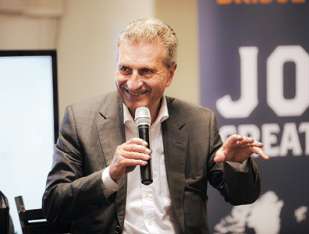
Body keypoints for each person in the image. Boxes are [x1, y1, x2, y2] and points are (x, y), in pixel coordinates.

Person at [42, 18, 268, 234]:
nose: (132, 83)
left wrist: (235, 163)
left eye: (146, 71)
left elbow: (242, 196)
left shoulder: (199, 122)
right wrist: (109, 175)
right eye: (125, 69)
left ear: (170, 74)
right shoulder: (81, 120)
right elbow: (53, 204)